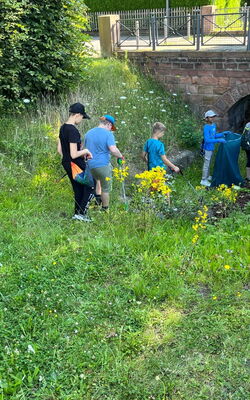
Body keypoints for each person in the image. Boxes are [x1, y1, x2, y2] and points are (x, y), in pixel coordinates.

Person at [57, 102, 94, 222]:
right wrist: (85, 151)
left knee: (78, 188)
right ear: (77, 114)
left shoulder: (62, 128)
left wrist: (71, 157)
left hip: (67, 162)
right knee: (91, 185)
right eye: (82, 117)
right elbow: (74, 154)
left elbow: (60, 150)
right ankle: (82, 214)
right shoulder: (72, 130)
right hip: (75, 163)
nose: (82, 120)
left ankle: (77, 214)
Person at [84, 114, 124, 211]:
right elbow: (113, 150)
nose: (111, 129)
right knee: (106, 189)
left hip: (91, 165)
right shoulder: (108, 134)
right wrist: (120, 156)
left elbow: (83, 149)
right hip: (103, 165)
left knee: (98, 180)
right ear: (108, 124)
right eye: (111, 127)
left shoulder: (88, 133)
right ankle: (105, 209)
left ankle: (97, 201)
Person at [200, 110, 226, 187]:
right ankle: (203, 180)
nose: (213, 118)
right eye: (211, 117)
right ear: (207, 118)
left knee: (209, 162)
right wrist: (218, 140)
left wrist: (222, 134)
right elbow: (207, 140)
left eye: (213, 116)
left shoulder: (213, 125)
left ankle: (207, 176)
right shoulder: (206, 127)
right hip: (207, 147)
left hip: (211, 147)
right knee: (206, 164)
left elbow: (214, 135)